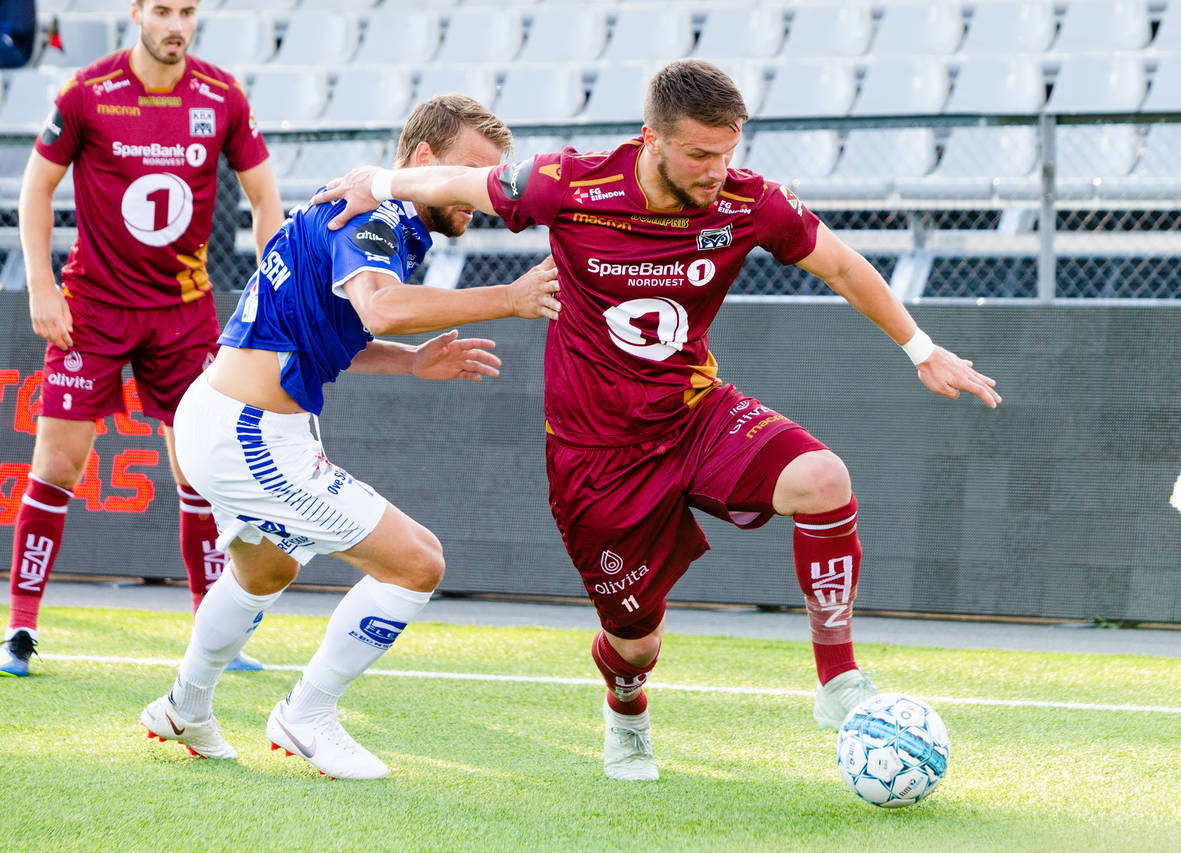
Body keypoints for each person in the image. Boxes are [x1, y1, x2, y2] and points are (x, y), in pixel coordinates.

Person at [314, 58, 1001, 782]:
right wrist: (380, 182)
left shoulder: (749, 202)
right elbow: (458, 184)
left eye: (728, 150)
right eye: (701, 153)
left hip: (697, 415)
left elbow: (841, 265)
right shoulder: (570, 184)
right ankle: (627, 710)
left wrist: (920, 348)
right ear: (652, 138)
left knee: (824, 479)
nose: (716, 169)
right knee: (635, 641)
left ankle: (838, 681)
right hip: (596, 459)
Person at [139, 94, 562, 780]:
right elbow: (382, 306)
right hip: (251, 430)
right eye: (470, 174)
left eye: (491, 180)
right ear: (421, 160)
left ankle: (186, 703)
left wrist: (411, 361)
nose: (479, 195)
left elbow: (333, 328)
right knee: (419, 561)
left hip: (223, 411)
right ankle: (306, 713)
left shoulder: (377, 215)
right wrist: (509, 297)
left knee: (265, 569)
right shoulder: (374, 211)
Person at [2, 0, 283, 678]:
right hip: (91, 310)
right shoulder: (88, 93)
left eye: (186, 10)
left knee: (199, 470)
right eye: (162, 9)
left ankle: (214, 630)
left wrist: (273, 295)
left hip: (183, 315)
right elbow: (36, 189)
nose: (175, 23)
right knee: (58, 464)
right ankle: (20, 627)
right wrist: (42, 287)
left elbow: (266, 199)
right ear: (136, 12)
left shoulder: (222, 96)